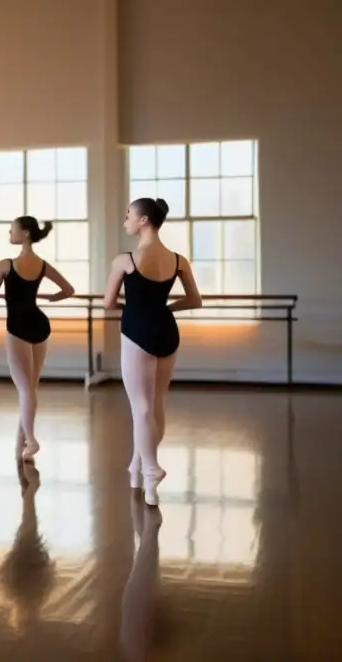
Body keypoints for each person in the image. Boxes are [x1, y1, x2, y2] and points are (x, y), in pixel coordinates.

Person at [104, 198, 202, 506]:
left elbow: (108, 304)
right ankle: (140, 474)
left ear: (144, 220)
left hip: (137, 332)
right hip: (167, 330)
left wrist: (135, 308)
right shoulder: (178, 260)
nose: (125, 221)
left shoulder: (125, 260)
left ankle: (151, 468)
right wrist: (164, 308)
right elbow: (194, 301)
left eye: (128, 215)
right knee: (157, 402)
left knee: (141, 407)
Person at [0, 216, 75, 462]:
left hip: (17, 327)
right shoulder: (42, 265)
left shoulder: (5, 265)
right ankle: (22, 440)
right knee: (30, 389)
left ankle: (32, 440)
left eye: (12, 229)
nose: (9, 232)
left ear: (25, 233)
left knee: (25, 389)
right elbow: (68, 289)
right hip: (39, 323)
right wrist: (50, 299)